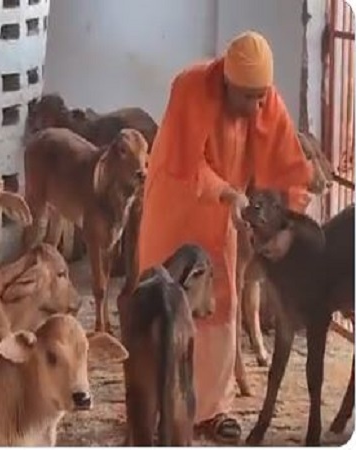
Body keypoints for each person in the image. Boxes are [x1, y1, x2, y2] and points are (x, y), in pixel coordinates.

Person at [129, 30, 314, 443]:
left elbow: (290, 170)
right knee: (163, 300)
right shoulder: (189, 87)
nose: (255, 107)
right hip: (175, 202)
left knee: (220, 303)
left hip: (221, 214)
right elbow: (186, 164)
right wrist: (227, 192)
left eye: (260, 97)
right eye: (247, 97)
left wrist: (291, 226)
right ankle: (157, 407)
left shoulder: (266, 102)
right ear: (226, 82)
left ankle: (212, 410)